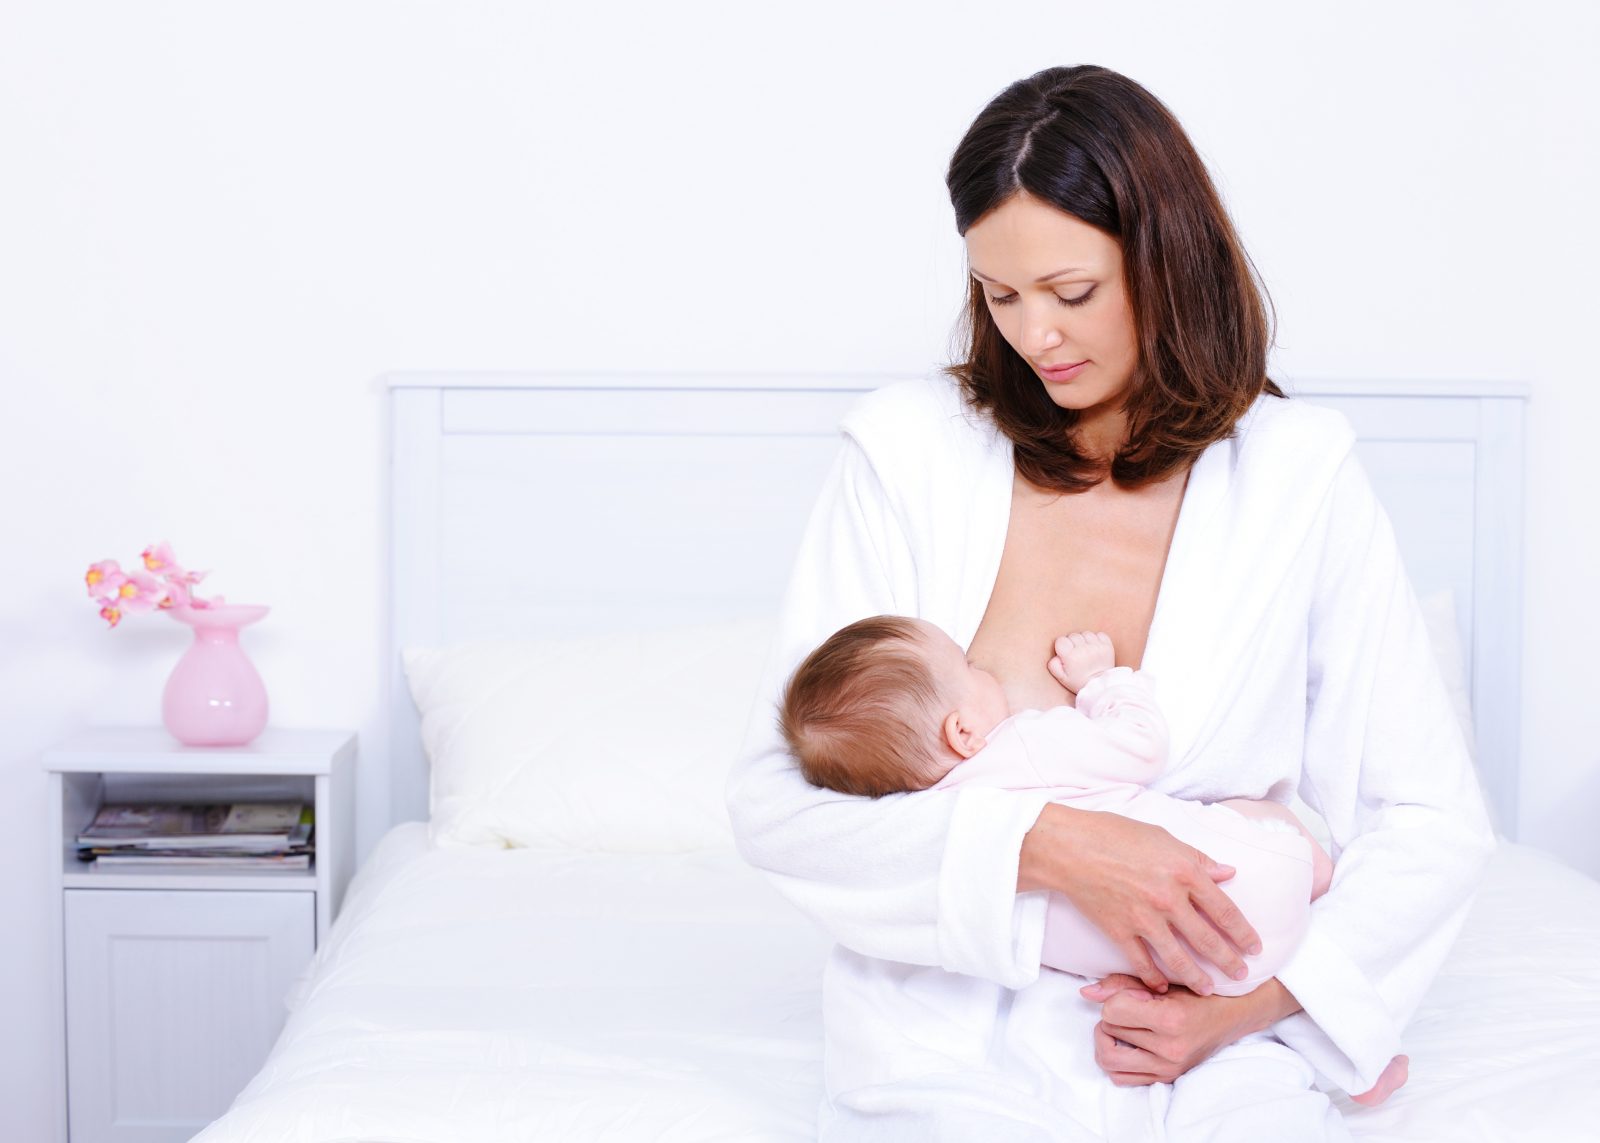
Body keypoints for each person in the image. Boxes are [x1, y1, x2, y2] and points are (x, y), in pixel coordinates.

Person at [727, 63, 1494, 1140]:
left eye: (1071, 293)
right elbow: (778, 802)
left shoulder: (1296, 476)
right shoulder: (908, 455)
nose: (1034, 338)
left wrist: (1256, 1007)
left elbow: (1426, 817)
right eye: (1000, 298)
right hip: (940, 1042)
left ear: (1167, 261)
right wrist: (1046, 845)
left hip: (1217, 1051)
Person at [778, 617, 1410, 1109]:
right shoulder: (1023, 743)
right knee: (1259, 821)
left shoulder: (945, 844)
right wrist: (1106, 683)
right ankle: (1359, 1019)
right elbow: (1141, 747)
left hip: (1175, 969)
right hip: (1241, 882)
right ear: (963, 734)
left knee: (1229, 970)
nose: (985, 666)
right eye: (969, 666)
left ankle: (1353, 1062)